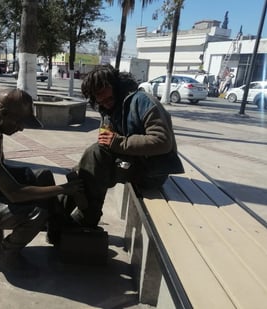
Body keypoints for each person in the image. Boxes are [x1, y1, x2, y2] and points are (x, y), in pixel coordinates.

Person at [0, 89, 83, 277]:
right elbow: (15, 193)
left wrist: (41, 183)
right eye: (19, 122)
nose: (21, 128)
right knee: (36, 213)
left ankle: (57, 229)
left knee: (42, 174)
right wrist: (63, 189)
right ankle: (6, 255)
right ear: (3, 114)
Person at [70, 64, 183, 227]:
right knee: (81, 170)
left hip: (151, 172)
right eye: (100, 101)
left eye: (109, 99)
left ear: (117, 86)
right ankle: (58, 214)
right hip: (131, 163)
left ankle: (86, 218)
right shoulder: (109, 108)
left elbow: (163, 142)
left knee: (96, 158)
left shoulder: (142, 101)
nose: (106, 104)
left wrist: (118, 142)